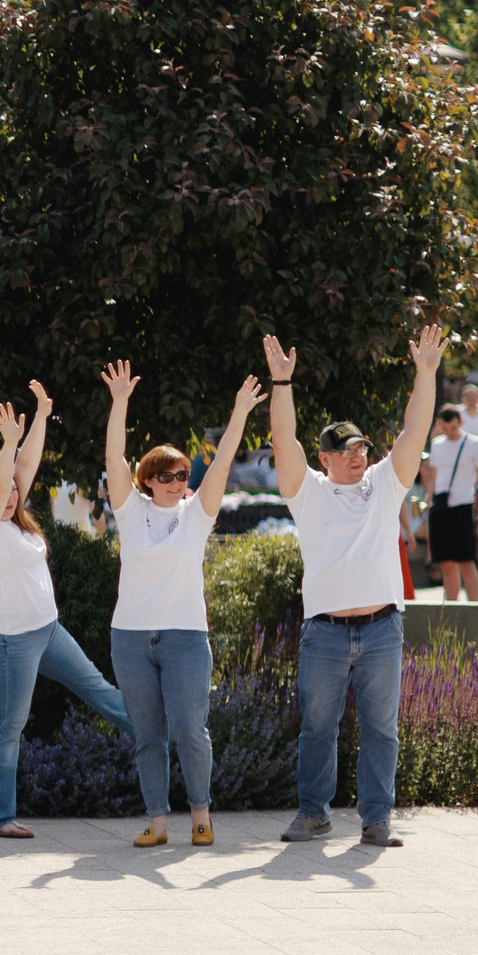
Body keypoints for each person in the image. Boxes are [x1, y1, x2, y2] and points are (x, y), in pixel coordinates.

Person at [267, 325, 443, 848]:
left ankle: (376, 820)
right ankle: (314, 813)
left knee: (382, 731)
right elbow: (283, 439)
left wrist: (426, 375)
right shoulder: (307, 492)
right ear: (325, 457)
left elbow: (414, 432)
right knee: (317, 728)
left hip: (382, 629)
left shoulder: (386, 485)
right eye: (345, 450)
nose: (357, 455)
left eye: (362, 447)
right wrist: (282, 385)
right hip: (324, 632)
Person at [103, 362, 266, 849]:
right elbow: (114, 456)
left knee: (191, 730)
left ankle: (201, 812)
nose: (178, 480)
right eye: (167, 475)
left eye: (181, 473)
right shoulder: (130, 511)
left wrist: (239, 413)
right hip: (130, 637)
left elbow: (221, 463)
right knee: (148, 735)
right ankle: (156, 822)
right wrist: (119, 403)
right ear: (148, 480)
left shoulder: (197, 515)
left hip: (185, 637)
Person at [0, 385, 134, 839]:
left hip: (48, 631)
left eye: (17, 491)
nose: (13, 495)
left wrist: (40, 415)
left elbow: (21, 472)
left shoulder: (18, 526)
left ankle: (168, 743)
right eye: (3, 493)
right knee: (9, 728)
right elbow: (1, 481)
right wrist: (7, 443)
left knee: (100, 691)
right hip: (10, 642)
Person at [422, 403, 477, 601]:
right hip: (440, 504)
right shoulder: (437, 444)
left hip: (462, 505)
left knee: (465, 561)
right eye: (445, 428)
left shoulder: (473, 443)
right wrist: (427, 500)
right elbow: (435, 476)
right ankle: (451, 610)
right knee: (445, 562)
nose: (450, 432)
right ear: (439, 425)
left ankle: (473, 610)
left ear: (461, 422)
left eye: (453, 428)